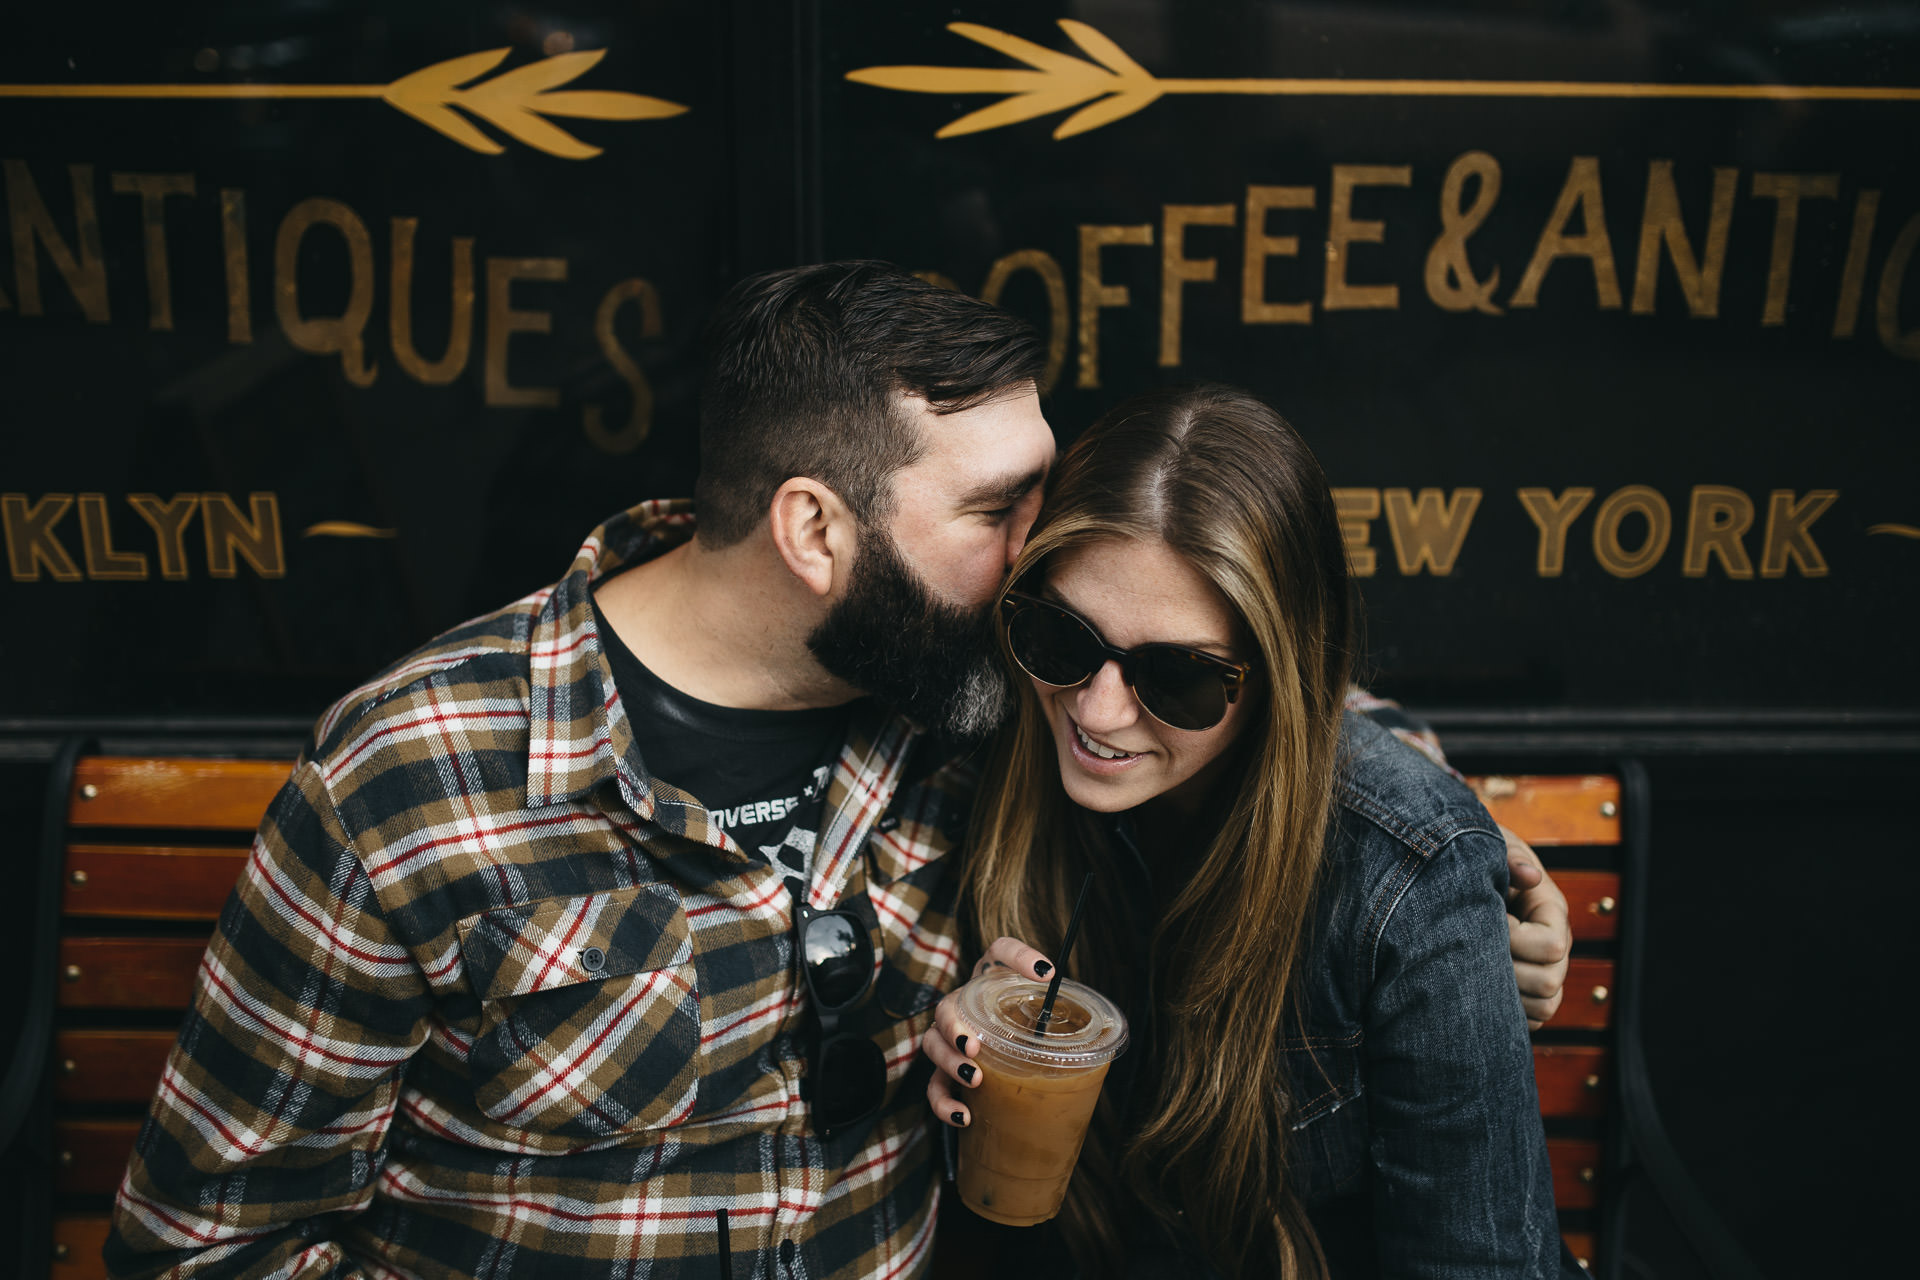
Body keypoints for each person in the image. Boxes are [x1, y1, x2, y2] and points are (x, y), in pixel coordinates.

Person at [106, 264, 1568, 1279]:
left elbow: (1231, 665)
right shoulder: (415, 780)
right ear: (817, 533)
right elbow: (211, 1243)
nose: (1040, 559)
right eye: (1004, 511)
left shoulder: (984, 684)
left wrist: (1446, 865)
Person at [924, 384, 1580, 1278]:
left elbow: (1482, 1263)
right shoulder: (982, 749)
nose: (1096, 710)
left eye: (1178, 678)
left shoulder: (1405, 877)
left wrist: (1444, 867)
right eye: (1063, 636)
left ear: (1279, 677)